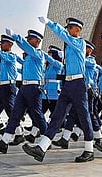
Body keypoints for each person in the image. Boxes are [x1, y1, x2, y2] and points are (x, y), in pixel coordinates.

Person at [22, 17, 94, 163]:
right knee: (57, 116)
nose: (68, 30)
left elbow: (62, 34)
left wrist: (50, 23)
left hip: (78, 84)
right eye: (67, 28)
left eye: (70, 28)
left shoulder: (79, 43)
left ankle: (89, 149)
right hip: (67, 84)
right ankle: (41, 148)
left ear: (78, 30)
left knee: (83, 116)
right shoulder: (69, 44)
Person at [0, 28, 48, 153]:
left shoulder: (38, 54)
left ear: (37, 41)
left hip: (33, 87)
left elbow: (26, 48)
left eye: (30, 39)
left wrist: (16, 37)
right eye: (28, 39)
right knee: (15, 114)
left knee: (37, 114)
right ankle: (4, 141)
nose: (29, 41)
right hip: (24, 87)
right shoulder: (28, 58)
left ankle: (47, 140)